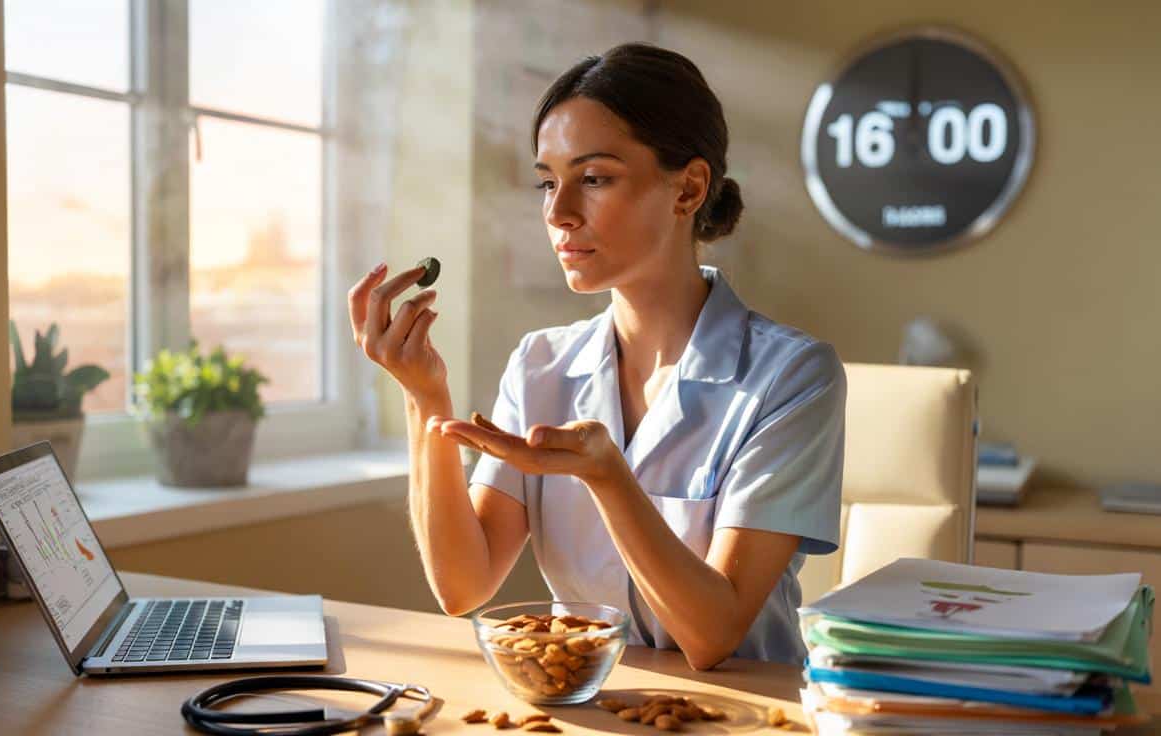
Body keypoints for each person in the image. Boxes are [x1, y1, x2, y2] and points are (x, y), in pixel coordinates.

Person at [347, 43, 844, 669]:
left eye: (594, 179)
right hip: (587, 698)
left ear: (688, 188)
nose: (558, 213)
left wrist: (608, 477)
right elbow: (463, 587)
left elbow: (712, 635)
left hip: (747, 705)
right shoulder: (540, 365)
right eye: (547, 182)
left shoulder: (792, 376)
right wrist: (424, 396)